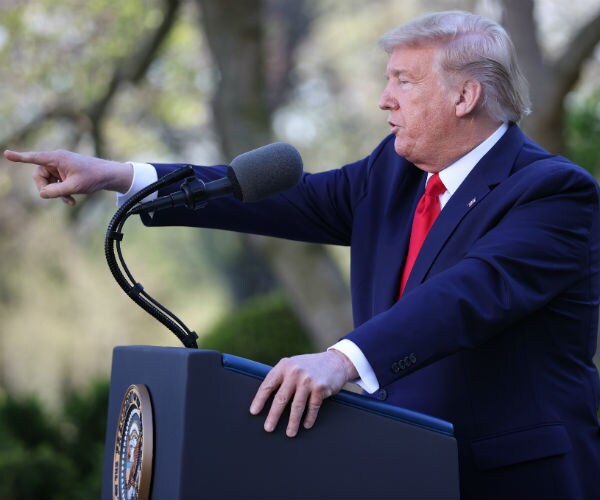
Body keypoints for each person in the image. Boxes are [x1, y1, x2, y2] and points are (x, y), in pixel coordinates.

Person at [5, 10, 600, 499]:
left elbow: (468, 293)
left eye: (404, 81)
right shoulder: (391, 174)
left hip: (514, 479)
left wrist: (341, 359)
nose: (383, 100)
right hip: (401, 472)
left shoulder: (552, 192)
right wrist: (124, 177)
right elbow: (275, 198)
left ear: (466, 95)